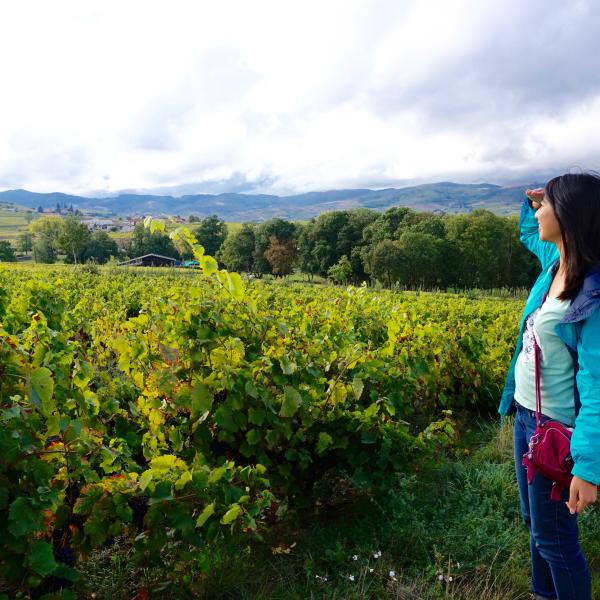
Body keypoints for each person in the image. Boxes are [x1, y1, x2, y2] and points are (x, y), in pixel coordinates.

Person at [498, 172, 600, 600]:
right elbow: (530, 231)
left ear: (571, 215)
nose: (539, 213)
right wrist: (531, 201)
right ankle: (543, 595)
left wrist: (589, 466)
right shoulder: (555, 263)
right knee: (533, 523)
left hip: (558, 430)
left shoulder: (592, 292)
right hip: (528, 419)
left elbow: (598, 385)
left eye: (546, 205)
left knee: (556, 541)